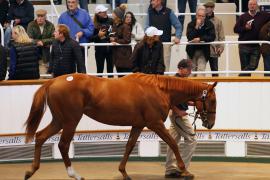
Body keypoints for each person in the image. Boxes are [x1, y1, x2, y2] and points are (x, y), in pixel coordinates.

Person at [165, 59, 196, 179]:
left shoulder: (181, 80)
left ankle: (170, 170)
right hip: (178, 115)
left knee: (172, 142)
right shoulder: (176, 81)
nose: (190, 71)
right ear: (181, 68)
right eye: (188, 69)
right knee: (192, 139)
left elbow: (179, 98)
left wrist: (190, 103)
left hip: (176, 114)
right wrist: (178, 111)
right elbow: (168, 100)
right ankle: (182, 169)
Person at [234, 0, 270, 76]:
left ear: (257, 6)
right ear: (248, 6)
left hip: (256, 46)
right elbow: (235, 29)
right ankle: (243, 84)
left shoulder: (263, 15)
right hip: (243, 46)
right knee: (244, 67)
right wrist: (245, 28)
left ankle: (240, 76)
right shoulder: (242, 17)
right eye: (250, 4)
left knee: (253, 66)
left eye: (254, 4)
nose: (252, 6)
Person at [146, 0, 182, 72]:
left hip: (165, 45)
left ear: (159, 1)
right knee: (152, 67)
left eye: (153, 0)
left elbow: (178, 26)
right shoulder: (149, 12)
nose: (151, 2)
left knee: (165, 67)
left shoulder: (169, 12)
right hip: (152, 45)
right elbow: (146, 27)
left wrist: (177, 37)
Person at [186, 5, 215, 76]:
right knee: (191, 72)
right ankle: (191, 87)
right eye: (199, 16)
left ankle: (200, 86)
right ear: (196, 16)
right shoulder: (191, 24)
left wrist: (200, 39)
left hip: (203, 51)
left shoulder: (209, 24)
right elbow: (189, 37)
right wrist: (196, 27)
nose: (201, 18)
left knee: (201, 71)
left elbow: (212, 37)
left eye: (203, 16)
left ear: (205, 17)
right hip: (191, 51)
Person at [27, 9, 55, 74]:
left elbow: (54, 38)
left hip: (46, 53)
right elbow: (29, 39)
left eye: (41, 16)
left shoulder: (50, 25)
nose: (39, 18)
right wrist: (37, 42)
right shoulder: (31, 25)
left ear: (45, 17)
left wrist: (43, 42)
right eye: (38, 16)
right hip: (34, 52)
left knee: (45, 72)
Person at [91, 5, 114, 77]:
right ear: (98, 13)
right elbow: (90, 38)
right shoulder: (93, 24)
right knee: (99, 72)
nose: (105, 12)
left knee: (110, 72)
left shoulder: (111, 21)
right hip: (99, 51)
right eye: (103, 12)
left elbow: (115, 33)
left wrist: (112, 37)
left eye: (105, 11)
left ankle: (110, 88)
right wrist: (98, 36)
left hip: (111, 50)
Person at [110, 4, 133, 77]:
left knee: (126, 78)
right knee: (120, 77)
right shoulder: (114, 25)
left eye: (114, 13)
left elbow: (127, 40)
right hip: (117, 56)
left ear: (117, 15)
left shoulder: (125, 26)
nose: (112, 14)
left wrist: (115, 40)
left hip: (124, 57)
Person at [204, 2, 225, 77]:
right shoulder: (201, 19)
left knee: (215, 70)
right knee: (200, 70)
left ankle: (216, 86)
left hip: (214, 49)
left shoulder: (218, 21)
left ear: (212, 8)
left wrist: (221, 47)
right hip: (202, 49)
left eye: (208, 7)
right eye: (205, 7)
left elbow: (221, 36)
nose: (206, 8)